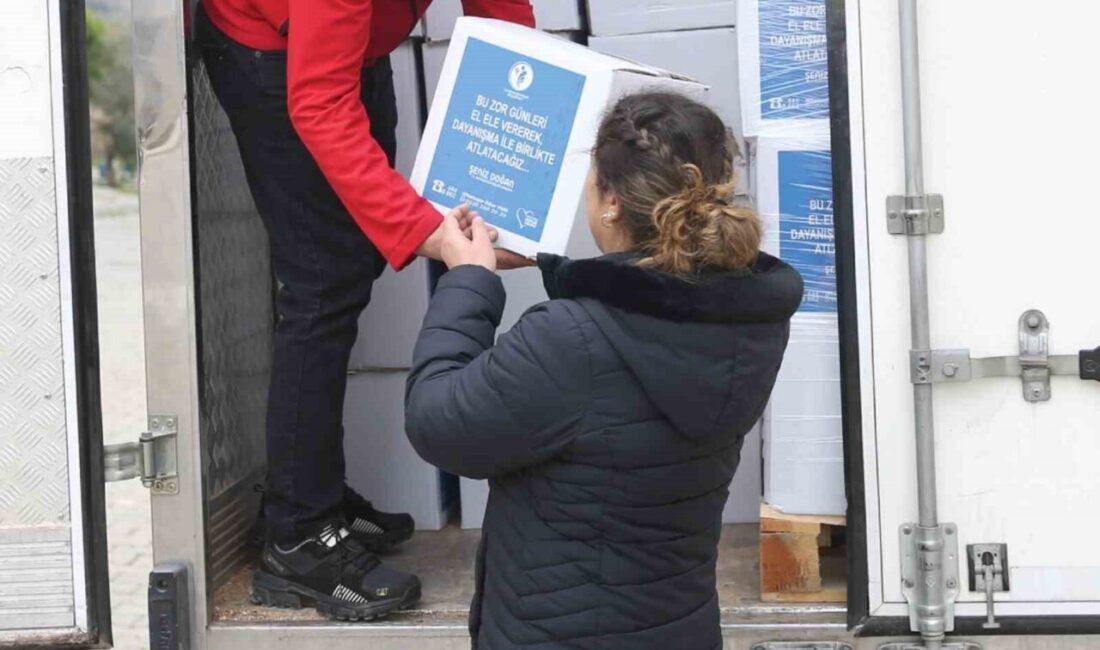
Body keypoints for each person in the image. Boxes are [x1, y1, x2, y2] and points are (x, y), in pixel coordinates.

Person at [405, 92, 805, 649]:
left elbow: (437, 421)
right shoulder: (746, 321)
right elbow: (649, 298)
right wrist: (553, 266)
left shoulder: (569, 340)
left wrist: (469, 280)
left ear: (611, 201)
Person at [193, 0, 535, 621]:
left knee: (352, 262)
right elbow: (319, 107)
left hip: (353, 47)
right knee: (321, 281)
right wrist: (428, 233)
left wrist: (526, 183)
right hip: (272, 57)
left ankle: (310, 486)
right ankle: (298, 535)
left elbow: (503, 15)